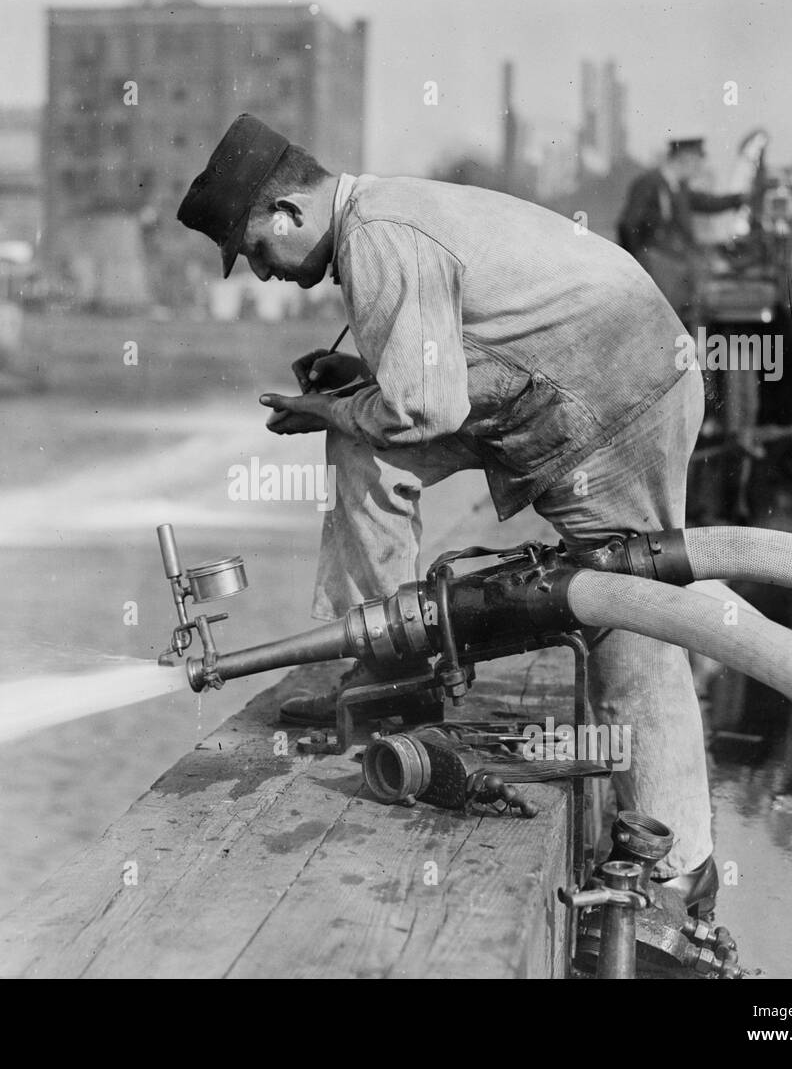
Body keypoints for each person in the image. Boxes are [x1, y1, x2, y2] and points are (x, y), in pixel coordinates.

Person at [177, 113, 716, 914]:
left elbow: (422, 408)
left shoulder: (377, 238)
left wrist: (334, 407)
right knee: (367, 448)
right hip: (559, 384)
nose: (264, 274)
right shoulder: (380, 216)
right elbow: (441, 367)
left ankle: (679, 867)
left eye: (257, 252)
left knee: (627, 608)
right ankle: (389, 672)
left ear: (289, 213)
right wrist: (362, 379)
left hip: (617, 396)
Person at [617, 137, 746, 324]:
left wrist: (738, 199)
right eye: (697, 162)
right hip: (658, 265)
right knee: (661, 321)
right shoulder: (650, 183)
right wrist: (636, 263)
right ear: (686, 159)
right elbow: (628, 225)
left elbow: (706, 202)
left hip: (677, 266)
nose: (699, 169)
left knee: (679, 318)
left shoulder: (678, 188)